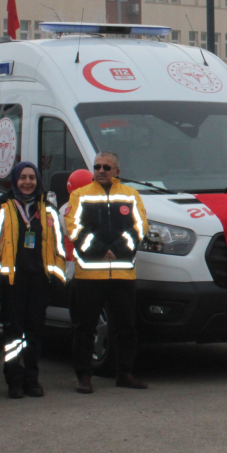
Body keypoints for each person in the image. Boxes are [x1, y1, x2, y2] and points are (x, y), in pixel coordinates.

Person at [65, 152, 149, 394]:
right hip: (89, 276)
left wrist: (119, 249)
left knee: (126, 328)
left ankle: (125, 374)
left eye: (106, 167)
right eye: (97, 166)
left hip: (123, 275)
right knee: (85, 328)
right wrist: (101, 250)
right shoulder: (80, 195)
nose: (101, 170)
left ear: (117, 172)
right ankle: (83, 376)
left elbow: (140, 225)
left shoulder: (130, 195)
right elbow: (73, 227)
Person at [0, 161, 67, 399]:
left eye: (32, 177)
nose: (27, 182)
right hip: (12, 282)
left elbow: (59, 247)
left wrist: (58, 278)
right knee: (13, 334)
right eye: (23, 177)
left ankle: (32, 379)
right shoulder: (2, 207)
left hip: (39, 281)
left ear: (38, 180)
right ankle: (14, 380)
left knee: (34, 333)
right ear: (15, 180)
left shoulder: (49, 210)